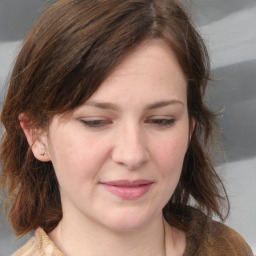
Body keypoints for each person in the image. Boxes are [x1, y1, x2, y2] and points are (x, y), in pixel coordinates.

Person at [0, 0, 253, 255]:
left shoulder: (228, 249)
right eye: (95, 122)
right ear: (36, 135)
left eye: (161, 120)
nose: (132, 155)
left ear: (189, 130)